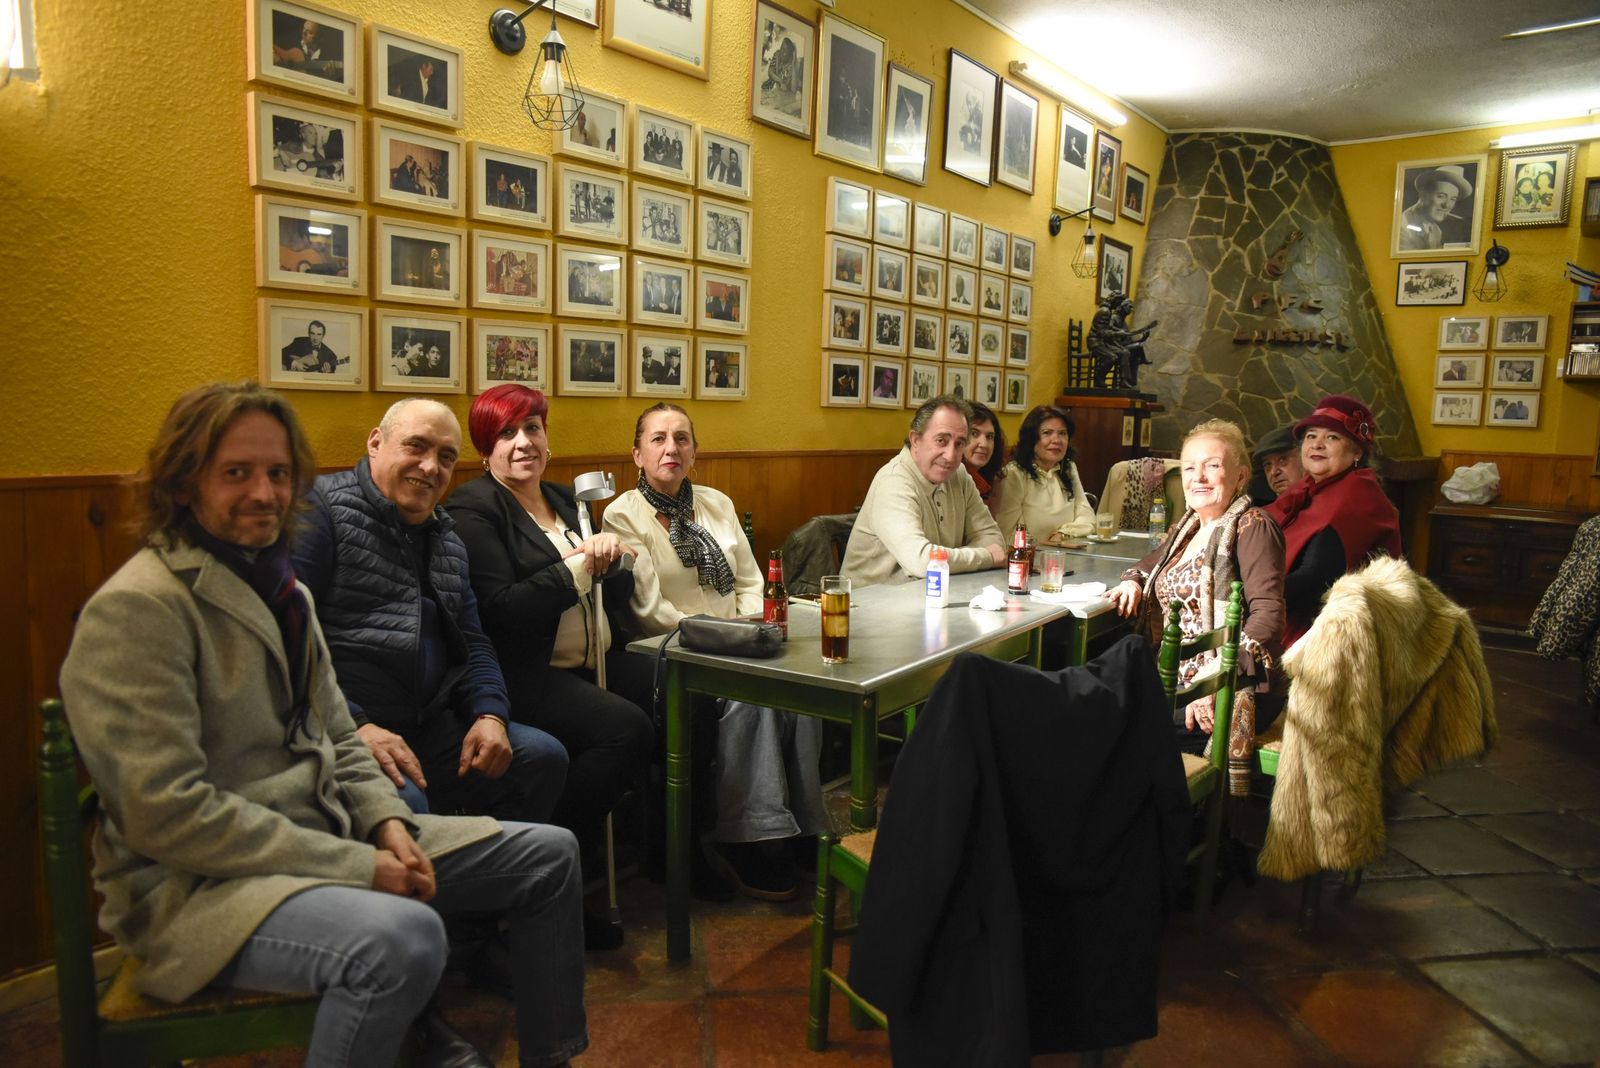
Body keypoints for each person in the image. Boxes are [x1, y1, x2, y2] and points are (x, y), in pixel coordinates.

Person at [59, 381, 585, 1068]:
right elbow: (167, 815)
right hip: (201, 894)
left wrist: (389, 828)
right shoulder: (139, 607)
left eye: (279, 474)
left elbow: (338, 735)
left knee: (551, 857)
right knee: (403, 940)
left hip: (325, 832)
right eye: (236, 472)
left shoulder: (284, 593)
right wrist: (361, 863)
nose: (266, 493)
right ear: (183, 481)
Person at [291, 398, 569, 828]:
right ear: (375, 443)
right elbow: (287, 639)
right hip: (344, 728)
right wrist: (355, 725)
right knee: (404, 800)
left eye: (445, 457)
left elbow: (472, 640)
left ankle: (490, 885)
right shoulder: (322, 512)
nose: (429, 466)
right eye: (415, 447)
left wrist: (490, 714)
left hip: (433, 725)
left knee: (541, 756)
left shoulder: (446, 537)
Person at [446, 386, 656, 949]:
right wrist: (576, 568)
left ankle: (666, 850)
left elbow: (608, 593)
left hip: (598, 659)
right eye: (507, 434)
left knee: (677, 687)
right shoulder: (474, 508)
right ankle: (549, 866)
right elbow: (503, 610)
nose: (523, 443)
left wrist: (615, 563)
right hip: (527, 672)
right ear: (486, 449)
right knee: (624, 729)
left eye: (533, 428)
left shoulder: (568, 502)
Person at [603, 404, 827, 901]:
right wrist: (724, 636)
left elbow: (750, 581)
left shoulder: (716, 503)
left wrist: (753, 624)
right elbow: (647, 610)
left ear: (694, 452)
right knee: (754, 699)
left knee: (802, 689)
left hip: (740, 635)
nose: (671, 448)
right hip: (675, 647)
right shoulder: (622, 513)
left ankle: (806, 825)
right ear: (638, 453)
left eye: (682, 438)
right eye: (658, 439)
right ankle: (752, 838)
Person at [1107, 419, 1287, 756]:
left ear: (1241, 476)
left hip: (1231, 682)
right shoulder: (1187, 528)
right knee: (1100, 707)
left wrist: (1214, 681)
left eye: (1212, 466)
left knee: (1116, 728)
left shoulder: (1253, 526)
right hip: (1175, 675)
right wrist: (1133, 580)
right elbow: (1151, 563)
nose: (1198, 477)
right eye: (1190, 467)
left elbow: (1269, 617)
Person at [1264, 394, 1402, 645]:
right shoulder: (1310, 487)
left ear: (1357, 452)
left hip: (1329, 637)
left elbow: (1315, 580)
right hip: (1294, 612)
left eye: (1332, 437)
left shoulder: (1358, 497)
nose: (1317, 444)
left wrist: (1247, 596)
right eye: (1311, 436)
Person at [841, 395, 1005, 585]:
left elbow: (994, 540)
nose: (950, 456)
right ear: (915, 440)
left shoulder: (959, 474)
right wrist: (985, 557)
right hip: (867, 607)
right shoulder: (893, 481)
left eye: (959, 443)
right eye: (941, 441)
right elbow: (921, 561)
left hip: (929, 597)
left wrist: (958, 559)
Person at [991, 405, 1096, 544]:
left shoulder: (1068, 468)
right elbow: (1008, 534)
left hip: (1065, 554)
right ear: (1031, 439)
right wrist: (1047, 545)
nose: (1057, 440)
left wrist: (1063, 534)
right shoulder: (1013, 475)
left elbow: (1088, 518)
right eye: (1047, 433)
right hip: (1028, 558)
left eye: (1062, 433)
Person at [1398, 165, 1472, 251]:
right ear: (1423, 195)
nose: (1446, 205)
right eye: (1441, 196)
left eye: (1452, 199)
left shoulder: (1436, 231)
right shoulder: (1402, 226)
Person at [962, 401, 1007, 516]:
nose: (984, 444)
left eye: (989, 437)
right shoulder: (947, 477)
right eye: (974, 433)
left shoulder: (986, 479)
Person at [1247, 423, 1302, 504]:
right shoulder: (1264, 514)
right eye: (1267, 464)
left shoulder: (1324, 501)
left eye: (1282, 459)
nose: (1273, 472)